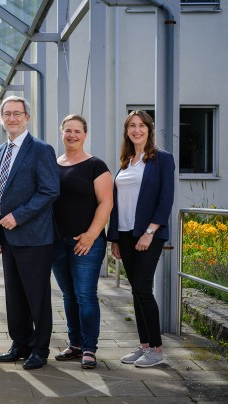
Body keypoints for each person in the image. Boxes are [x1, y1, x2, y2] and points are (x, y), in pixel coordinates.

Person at [0, 95, 60, 370]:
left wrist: (18, 217)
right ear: (1, 118)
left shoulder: (41, 149)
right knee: (14, 295)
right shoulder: (0, 151)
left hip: (34, 236)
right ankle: (19, 343)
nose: (12, 118)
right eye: (7, 114)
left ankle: (40, 349)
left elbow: (50, 190)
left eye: (17, 114)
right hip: (7, 238)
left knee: (36, 295)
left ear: (27, 118)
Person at [108, 110, 175, 368]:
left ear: (149, 129)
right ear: (127, 131)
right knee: (136, 291)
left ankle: (157, 350)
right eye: (131, 126)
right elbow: (117, 203)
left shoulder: (162, 159)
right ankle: (144, 345)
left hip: (148, 234)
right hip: (125, 234)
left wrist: (150, 231)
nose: (137, 130)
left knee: (144, 289)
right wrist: (114, 238)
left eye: (141, 126)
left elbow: (166, 198)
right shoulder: (126, 162)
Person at [51, 114, 113, 369]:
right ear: (62, 133)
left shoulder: (96, 166)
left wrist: (91, 235)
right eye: (68, 130)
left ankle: (89, 348)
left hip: (87, 242)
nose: (72, 135)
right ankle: (75, 344)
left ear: (85, 134)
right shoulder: (54, 164)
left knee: (85, 295)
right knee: (68, 295)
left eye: (77, 131)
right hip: (58, 242)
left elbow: (106, 203)